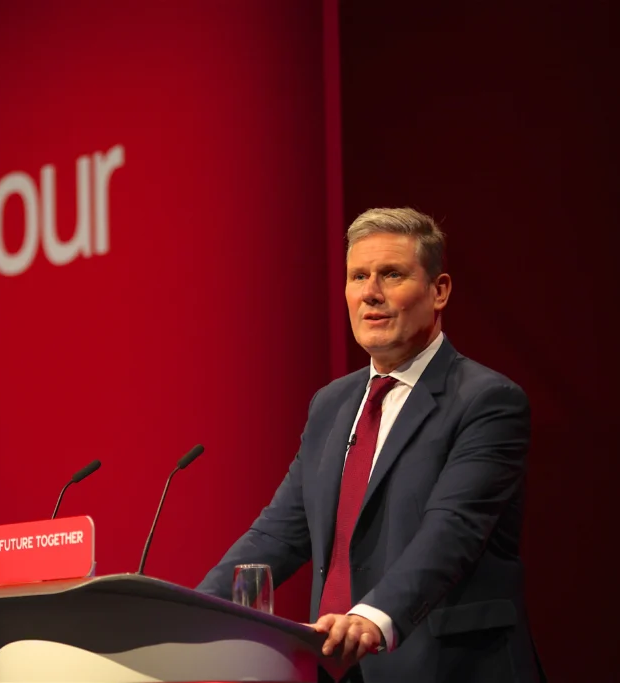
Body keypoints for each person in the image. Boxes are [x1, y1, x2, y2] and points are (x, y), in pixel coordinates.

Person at [197, 207, 544, 683]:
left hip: (447, 668)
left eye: (391, 275)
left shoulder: (487, 401)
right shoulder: (331, 404)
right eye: (358, 276)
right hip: (338, 668)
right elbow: (277, 535)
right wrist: (192, 610)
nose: (370, 294)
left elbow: (451, 531)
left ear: (439, 291)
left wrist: (372, 618)